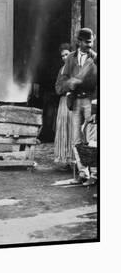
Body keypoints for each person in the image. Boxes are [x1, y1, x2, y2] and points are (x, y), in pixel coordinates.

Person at [57, 28, 97, 178]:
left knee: (92, 139)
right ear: (79, 42)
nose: (89, 45)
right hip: (75, 102)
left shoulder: (96, 58)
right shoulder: (70, 59)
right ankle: (82, 171)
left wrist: (96, 106)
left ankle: (94, 173)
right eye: (86, 42)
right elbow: (63, 79)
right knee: (76, 139)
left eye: (91, 41)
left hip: (90, 102)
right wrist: (69, 85)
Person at [53, 43, 73, 167]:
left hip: (73, 102)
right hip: (64, 101)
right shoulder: (62, 70)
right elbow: (57, 87)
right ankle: (64, 159)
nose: (65, 57)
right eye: (63, 56)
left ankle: (74, 160)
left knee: (73, 129)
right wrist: (65, 88)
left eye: (67, 54)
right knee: (63, 129)